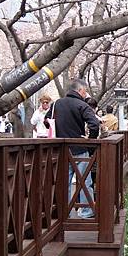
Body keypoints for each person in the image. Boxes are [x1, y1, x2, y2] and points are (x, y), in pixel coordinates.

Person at [46, 79, 100, 218]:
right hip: (79, 148)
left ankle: (65, 212)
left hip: (61, 149)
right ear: (80, 90)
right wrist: (90, 141)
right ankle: (86, 211)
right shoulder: (82, 105)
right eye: (85, 91)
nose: (85, 93)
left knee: (63, 182)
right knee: (84, 181)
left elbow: (47, 121)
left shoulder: (57, 103)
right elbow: (94, 124)